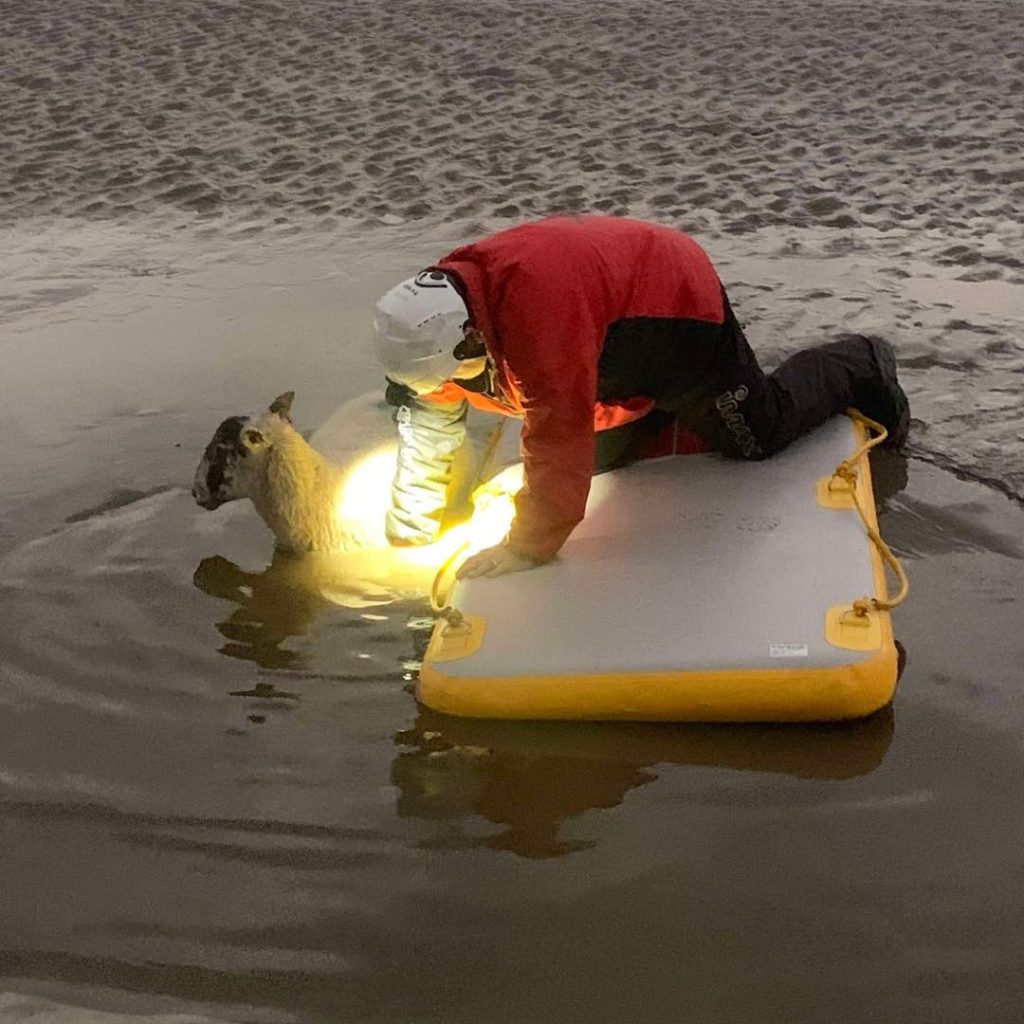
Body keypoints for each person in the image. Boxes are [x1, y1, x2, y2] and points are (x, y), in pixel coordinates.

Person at [371, 216, 909, 580]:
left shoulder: (538, 322)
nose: (450, 391)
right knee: (607, 465)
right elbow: (428, 422)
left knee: (755, 434)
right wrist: (411, 529)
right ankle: (658, 413)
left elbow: (556, 432)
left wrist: (525, 547)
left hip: (671, 304)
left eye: (456, 378)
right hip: (606, 319)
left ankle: (860, 360)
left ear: (471, 337)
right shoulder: (426, 326)